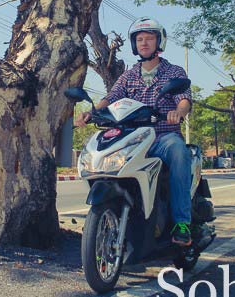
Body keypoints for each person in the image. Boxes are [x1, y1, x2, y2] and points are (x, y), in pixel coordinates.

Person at [77, 17, 194, 246]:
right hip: (133, 137)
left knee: (179, 152)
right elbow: (111, 98)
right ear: (134, 45)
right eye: (139, 39)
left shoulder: (174, 72)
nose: (144, 43)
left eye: (149, 38)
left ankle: (182, 223)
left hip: (162, 136)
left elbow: (184, 100)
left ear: (159, 42)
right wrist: (91, 113)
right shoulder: (129, 75)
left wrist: (178, 113)